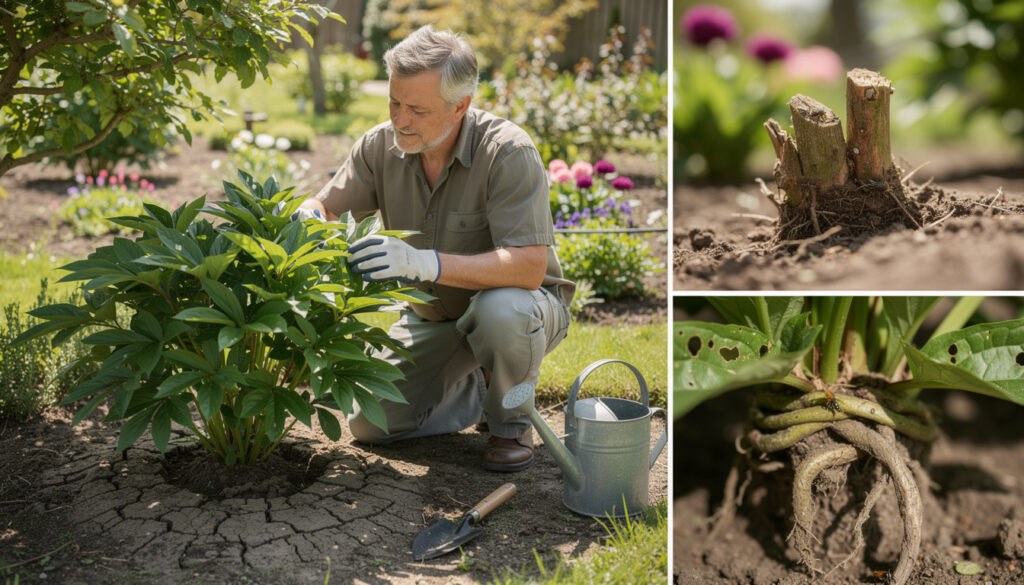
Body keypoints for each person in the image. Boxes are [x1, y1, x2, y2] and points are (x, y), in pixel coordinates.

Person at [293, 25, 575, 472]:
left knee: (502, 312)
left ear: (460, 106)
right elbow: (327, 206)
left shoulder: (507, 152)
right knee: (373, 425)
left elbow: (527, 269)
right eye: (394, 102)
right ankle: (479, 386)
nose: (400, 119)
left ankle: (510, 423)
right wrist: (309, 213)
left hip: (523, 309)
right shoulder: (380, 146)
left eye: (416, 110)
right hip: (434, 318)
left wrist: (425, 262)